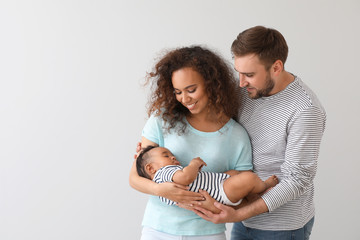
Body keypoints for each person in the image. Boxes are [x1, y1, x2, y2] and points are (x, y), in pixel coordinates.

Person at [193, 26, 327, 240]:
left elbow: (297, 180)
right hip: (243, 218)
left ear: (276, 67)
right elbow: (211, 127)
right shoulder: (245, 92)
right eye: (239, 72)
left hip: (282, 226)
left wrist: (237, 213)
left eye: (249, 74)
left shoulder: (305, 110)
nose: (240, 82)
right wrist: (155, 148)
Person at [129, 46, 254, 239]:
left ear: (211, 84)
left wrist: (217, 207)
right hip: (158, 229)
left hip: (207, 233)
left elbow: (246, 195)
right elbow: (135, 178)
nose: (184, 99)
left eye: (191, 90)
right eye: (177, 91)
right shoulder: (161, 120)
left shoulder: (236, 135)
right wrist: (162, 190)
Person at [136, 145, 278, 210]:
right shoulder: (164, 173)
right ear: (150, 168)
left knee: (234, 173)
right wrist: (194, 163)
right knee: (249, 178)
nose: (172, 156)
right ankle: (264, 186)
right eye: (166, 155)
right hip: (221, 191)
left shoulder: (163, 184)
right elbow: (186, 178)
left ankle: (253, 194)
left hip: (220, 185)